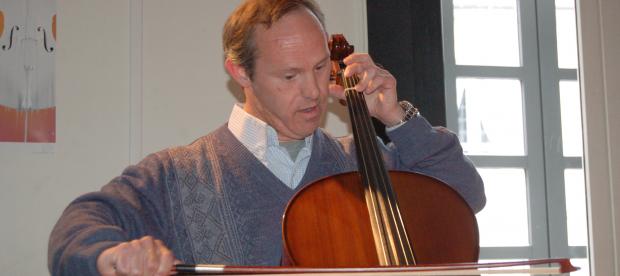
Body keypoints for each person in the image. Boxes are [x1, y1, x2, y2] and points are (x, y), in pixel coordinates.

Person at [48, 0, 485, 275]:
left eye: (319, 67)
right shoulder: (176, 175)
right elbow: (75, 230)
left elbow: (464, 196)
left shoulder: (362, 167)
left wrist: (398, 117)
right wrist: (114, 258)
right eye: (290, 75)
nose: (314, 91)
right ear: (240, 73)